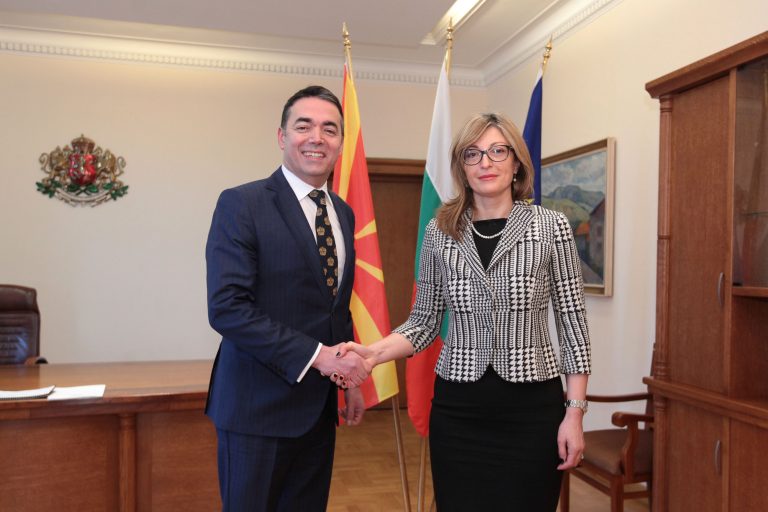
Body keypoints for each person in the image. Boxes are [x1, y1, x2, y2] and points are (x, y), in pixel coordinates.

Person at [340, 112, 592, 511]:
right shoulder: (440, 231)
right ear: (462, 166)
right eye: (472, 154)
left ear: (516, 162)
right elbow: (423, 322)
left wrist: (574, 413)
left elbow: (573, 325)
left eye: (497, 151)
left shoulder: (550, 226)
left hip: (531, 412)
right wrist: (373, 354)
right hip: (458, 412)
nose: (485, 162)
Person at [205, 85, 371, 512]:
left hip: (318, 411)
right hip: (256, 410)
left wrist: (348, 380)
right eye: (304, 126)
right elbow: (228, 308)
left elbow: (334, 306)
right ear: (282, 136)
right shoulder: (242, 204)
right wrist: (319, 357)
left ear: (340, 143)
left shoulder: (342, 212)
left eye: (330, 129)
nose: (317, 137)